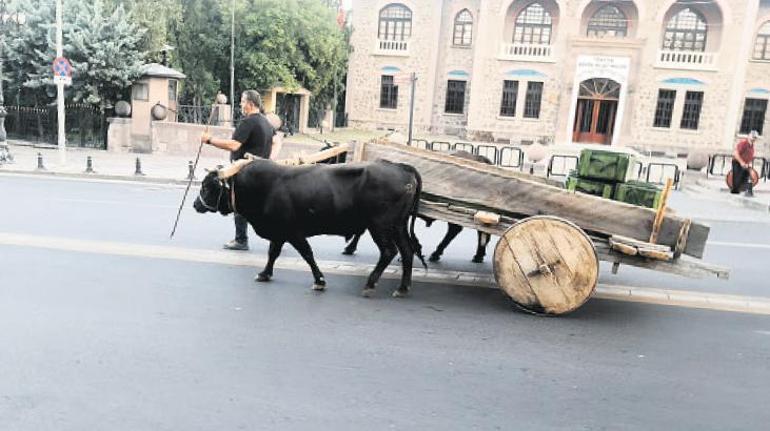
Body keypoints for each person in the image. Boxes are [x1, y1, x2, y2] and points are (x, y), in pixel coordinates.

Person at [201, 90, 274, 250]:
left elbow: (234, 145)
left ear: (250, 104)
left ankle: (241, 240)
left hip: (247, 172)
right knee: (263, 207)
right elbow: (275, 141)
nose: (241, 104)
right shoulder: (266, 122)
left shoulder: (249, 122)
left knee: (239, 204)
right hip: (264, 170)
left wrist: (209, 140)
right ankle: (279, 235)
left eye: (242, 101)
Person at [731, 130, 759, 196]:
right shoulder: (743, 143)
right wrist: (741, 162)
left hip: (745, 164)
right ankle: (734, 193)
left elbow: (749, 155)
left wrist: (747, 163)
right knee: (737, 179)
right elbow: (736, 153)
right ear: (749, 136)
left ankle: (744, 191)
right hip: (737, 162)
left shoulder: (751, 145)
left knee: (745, 177)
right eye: (753, 137)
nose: (754, 139)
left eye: (755, 137)